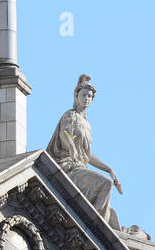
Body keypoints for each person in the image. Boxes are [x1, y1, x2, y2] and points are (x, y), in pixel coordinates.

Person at [48, 74, 123, 228]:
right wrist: (71, 148)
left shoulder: (86, 124)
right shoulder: (69, 115)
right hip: (67, 168)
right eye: (84, 95)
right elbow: (65, 133)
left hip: (80, 168)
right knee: (105, 184)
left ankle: (95, 221)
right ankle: (94, 225)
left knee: (110, 205)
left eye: (90, 96)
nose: (87, 98)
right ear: (76, 96)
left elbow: (87, 155)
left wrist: (109, 169)